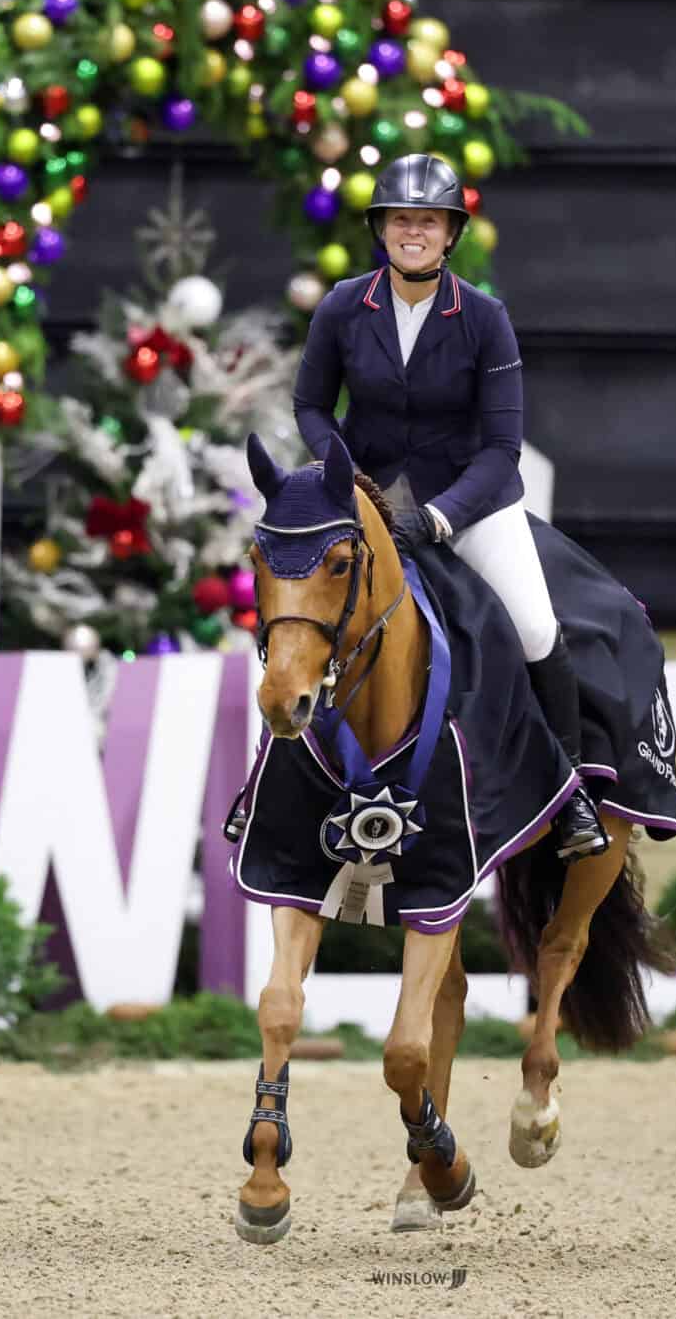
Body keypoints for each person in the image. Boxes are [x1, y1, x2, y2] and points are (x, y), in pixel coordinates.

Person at [240, 152, 609, 863]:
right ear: (382, 229)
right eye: (402, 220)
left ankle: (568, 798)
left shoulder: (485, 318)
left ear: (449, 235)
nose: (414, 232)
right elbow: (311, 404)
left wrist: (439, 518)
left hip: (471, 496)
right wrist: (338, 468)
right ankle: (264, 784)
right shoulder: (345, 305)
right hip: (366, 492)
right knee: (304, 615)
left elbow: (503, 446)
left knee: (534, 626)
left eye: (428, 221)